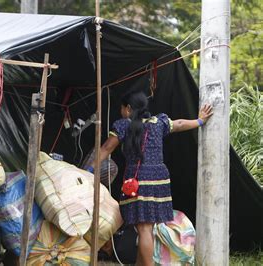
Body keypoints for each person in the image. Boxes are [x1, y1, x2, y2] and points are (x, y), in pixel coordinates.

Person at [89, 91, 213, 266]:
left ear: (128, 108)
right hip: (160, 178)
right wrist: (199, 121)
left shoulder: (124, 125)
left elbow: (107, 148)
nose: (121, 111)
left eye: (122, 108)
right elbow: (178, 124)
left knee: (144, 228)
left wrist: (89, 168)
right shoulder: (158, 122)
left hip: (138, 180)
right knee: (147, 228)